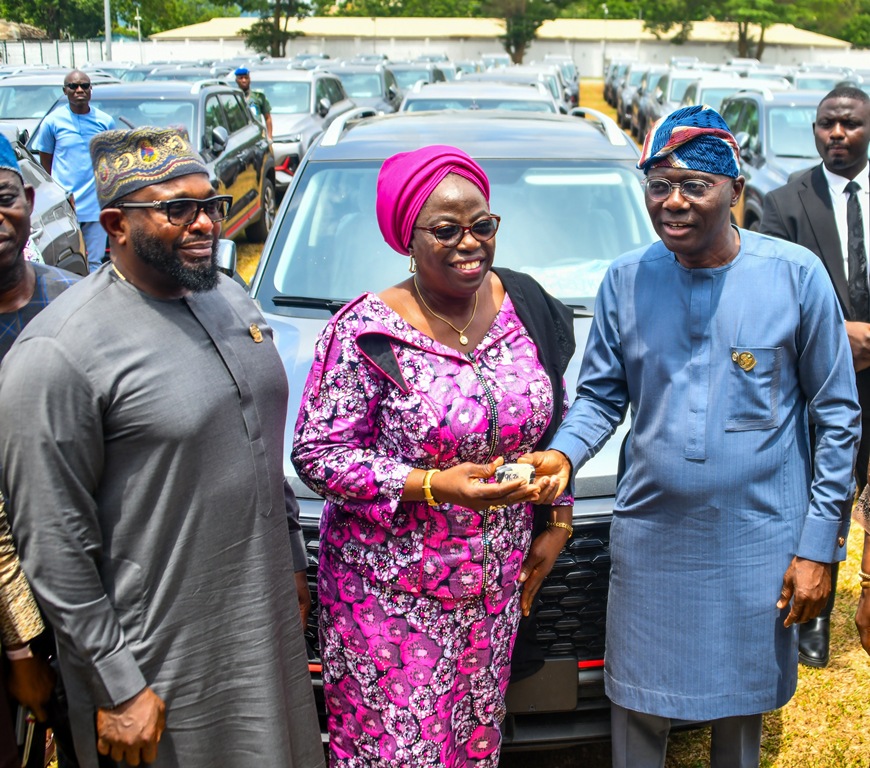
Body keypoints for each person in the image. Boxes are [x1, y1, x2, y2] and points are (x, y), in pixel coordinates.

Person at [521, 106, 861, 768]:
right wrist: (562, 454)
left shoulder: (795, 277)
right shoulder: (627, 279)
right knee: (640, 706)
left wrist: (819, 547)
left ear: (734, 190)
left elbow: (837, 414)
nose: (672, 202)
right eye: (657, 184)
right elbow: (599, 395)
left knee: (739, 709)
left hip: (758, 540)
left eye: (693, 185)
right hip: (655, 539)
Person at [0, 127, 324, 768]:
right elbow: (53, 544)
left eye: (211, 205)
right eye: (178, 209)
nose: (204, 223)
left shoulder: (229, 299)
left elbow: (262, 442)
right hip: (156, 657)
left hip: (260, 626)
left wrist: (290, 557)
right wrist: (119, 686)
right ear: (116, 224)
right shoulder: (58, 353)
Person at [291, 145, 574, 766]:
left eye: (482, 225)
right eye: (445, 230)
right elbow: (317, 453)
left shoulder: (522, 307)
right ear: (408, 239)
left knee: (474, 750)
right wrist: (430, 484)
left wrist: (558, 514)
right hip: (389, 599)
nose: (469, 242)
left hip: (491, 595)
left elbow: (549, 424)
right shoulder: (364, 333)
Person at [759, 85, 870, 667]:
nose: (836, 134)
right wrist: (842, 334)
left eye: (849, 124)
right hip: (819, 377)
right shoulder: (783, 203)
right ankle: (814, 614)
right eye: (827, 123)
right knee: (825, 487)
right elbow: (778, 287)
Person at [0, 132, 75, 768]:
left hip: (75, 590)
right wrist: (19, 649)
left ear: (27, 199)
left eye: (3, 198)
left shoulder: (75, 302)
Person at [32, 70, 115, 273]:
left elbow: (110, 162)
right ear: (65, 91)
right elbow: (46, 166)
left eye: (85, 86)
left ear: (91, 90)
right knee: (67, 264)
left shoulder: (105, 121)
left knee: (94, 264)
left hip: (95, 205)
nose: (79, 90)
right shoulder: (52, 122)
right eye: (73, 86)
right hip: (64, 208)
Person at [235, 66, 273, 140]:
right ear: (236, 80)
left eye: (246, 78)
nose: (244, 80)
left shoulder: (258, 96)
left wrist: (269, 137)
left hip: (258, 136)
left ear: (250, 79)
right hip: (241, 138)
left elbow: (268, 118)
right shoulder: (233, 98)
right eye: (241, 78)